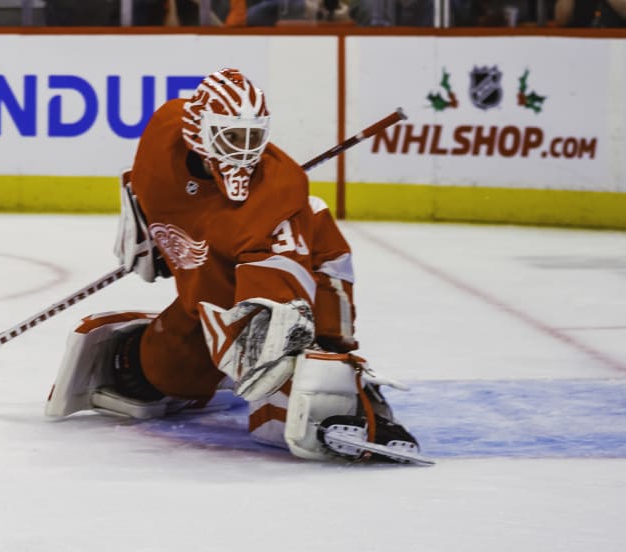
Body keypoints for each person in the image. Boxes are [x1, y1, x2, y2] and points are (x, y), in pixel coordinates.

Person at [47, 68, 420, 463]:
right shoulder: (165, 130)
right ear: (198, 131)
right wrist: (148, 234)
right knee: (159, 372)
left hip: (314, 265)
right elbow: (143, 182)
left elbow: (278, 306)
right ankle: (193, 358)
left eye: (252, 137)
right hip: (209, 287)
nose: (244, 150)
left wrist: (287, 344)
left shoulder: (276, 194)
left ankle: (352, 395)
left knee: (284, 350)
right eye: (232, 136)